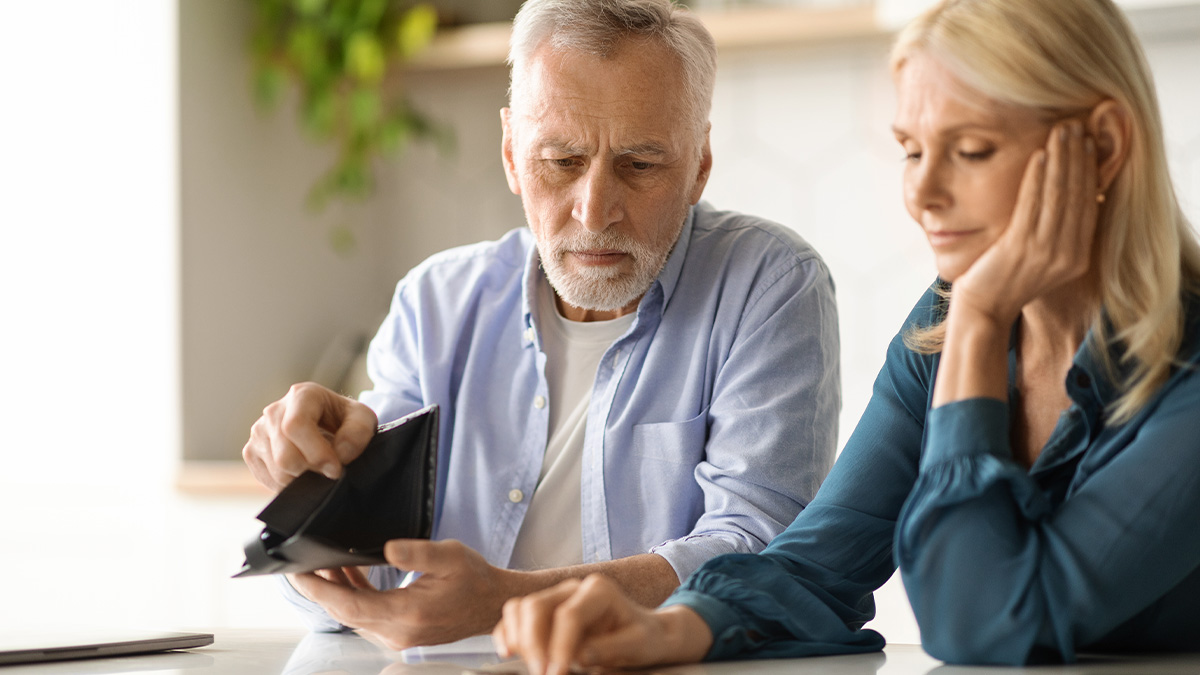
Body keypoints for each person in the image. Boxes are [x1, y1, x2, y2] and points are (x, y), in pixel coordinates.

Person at [493, 0, 1200, 669]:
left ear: (1103, 147)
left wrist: (980, 322)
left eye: (973, 150)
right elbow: (817, 562)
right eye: (913, 151)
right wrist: (664, 627)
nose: (923, 195)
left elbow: (983, 620)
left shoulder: (989, 321)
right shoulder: (943, 323)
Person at [241, 0, 841, 650]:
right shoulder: (434, 304)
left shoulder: (769, 284)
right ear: (509, 153)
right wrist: (312, 494)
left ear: (699, 163)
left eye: (640, 165)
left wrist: (502, 601)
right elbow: (368, 578)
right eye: (561, 161)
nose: (595, 210)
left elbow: (758, 554)